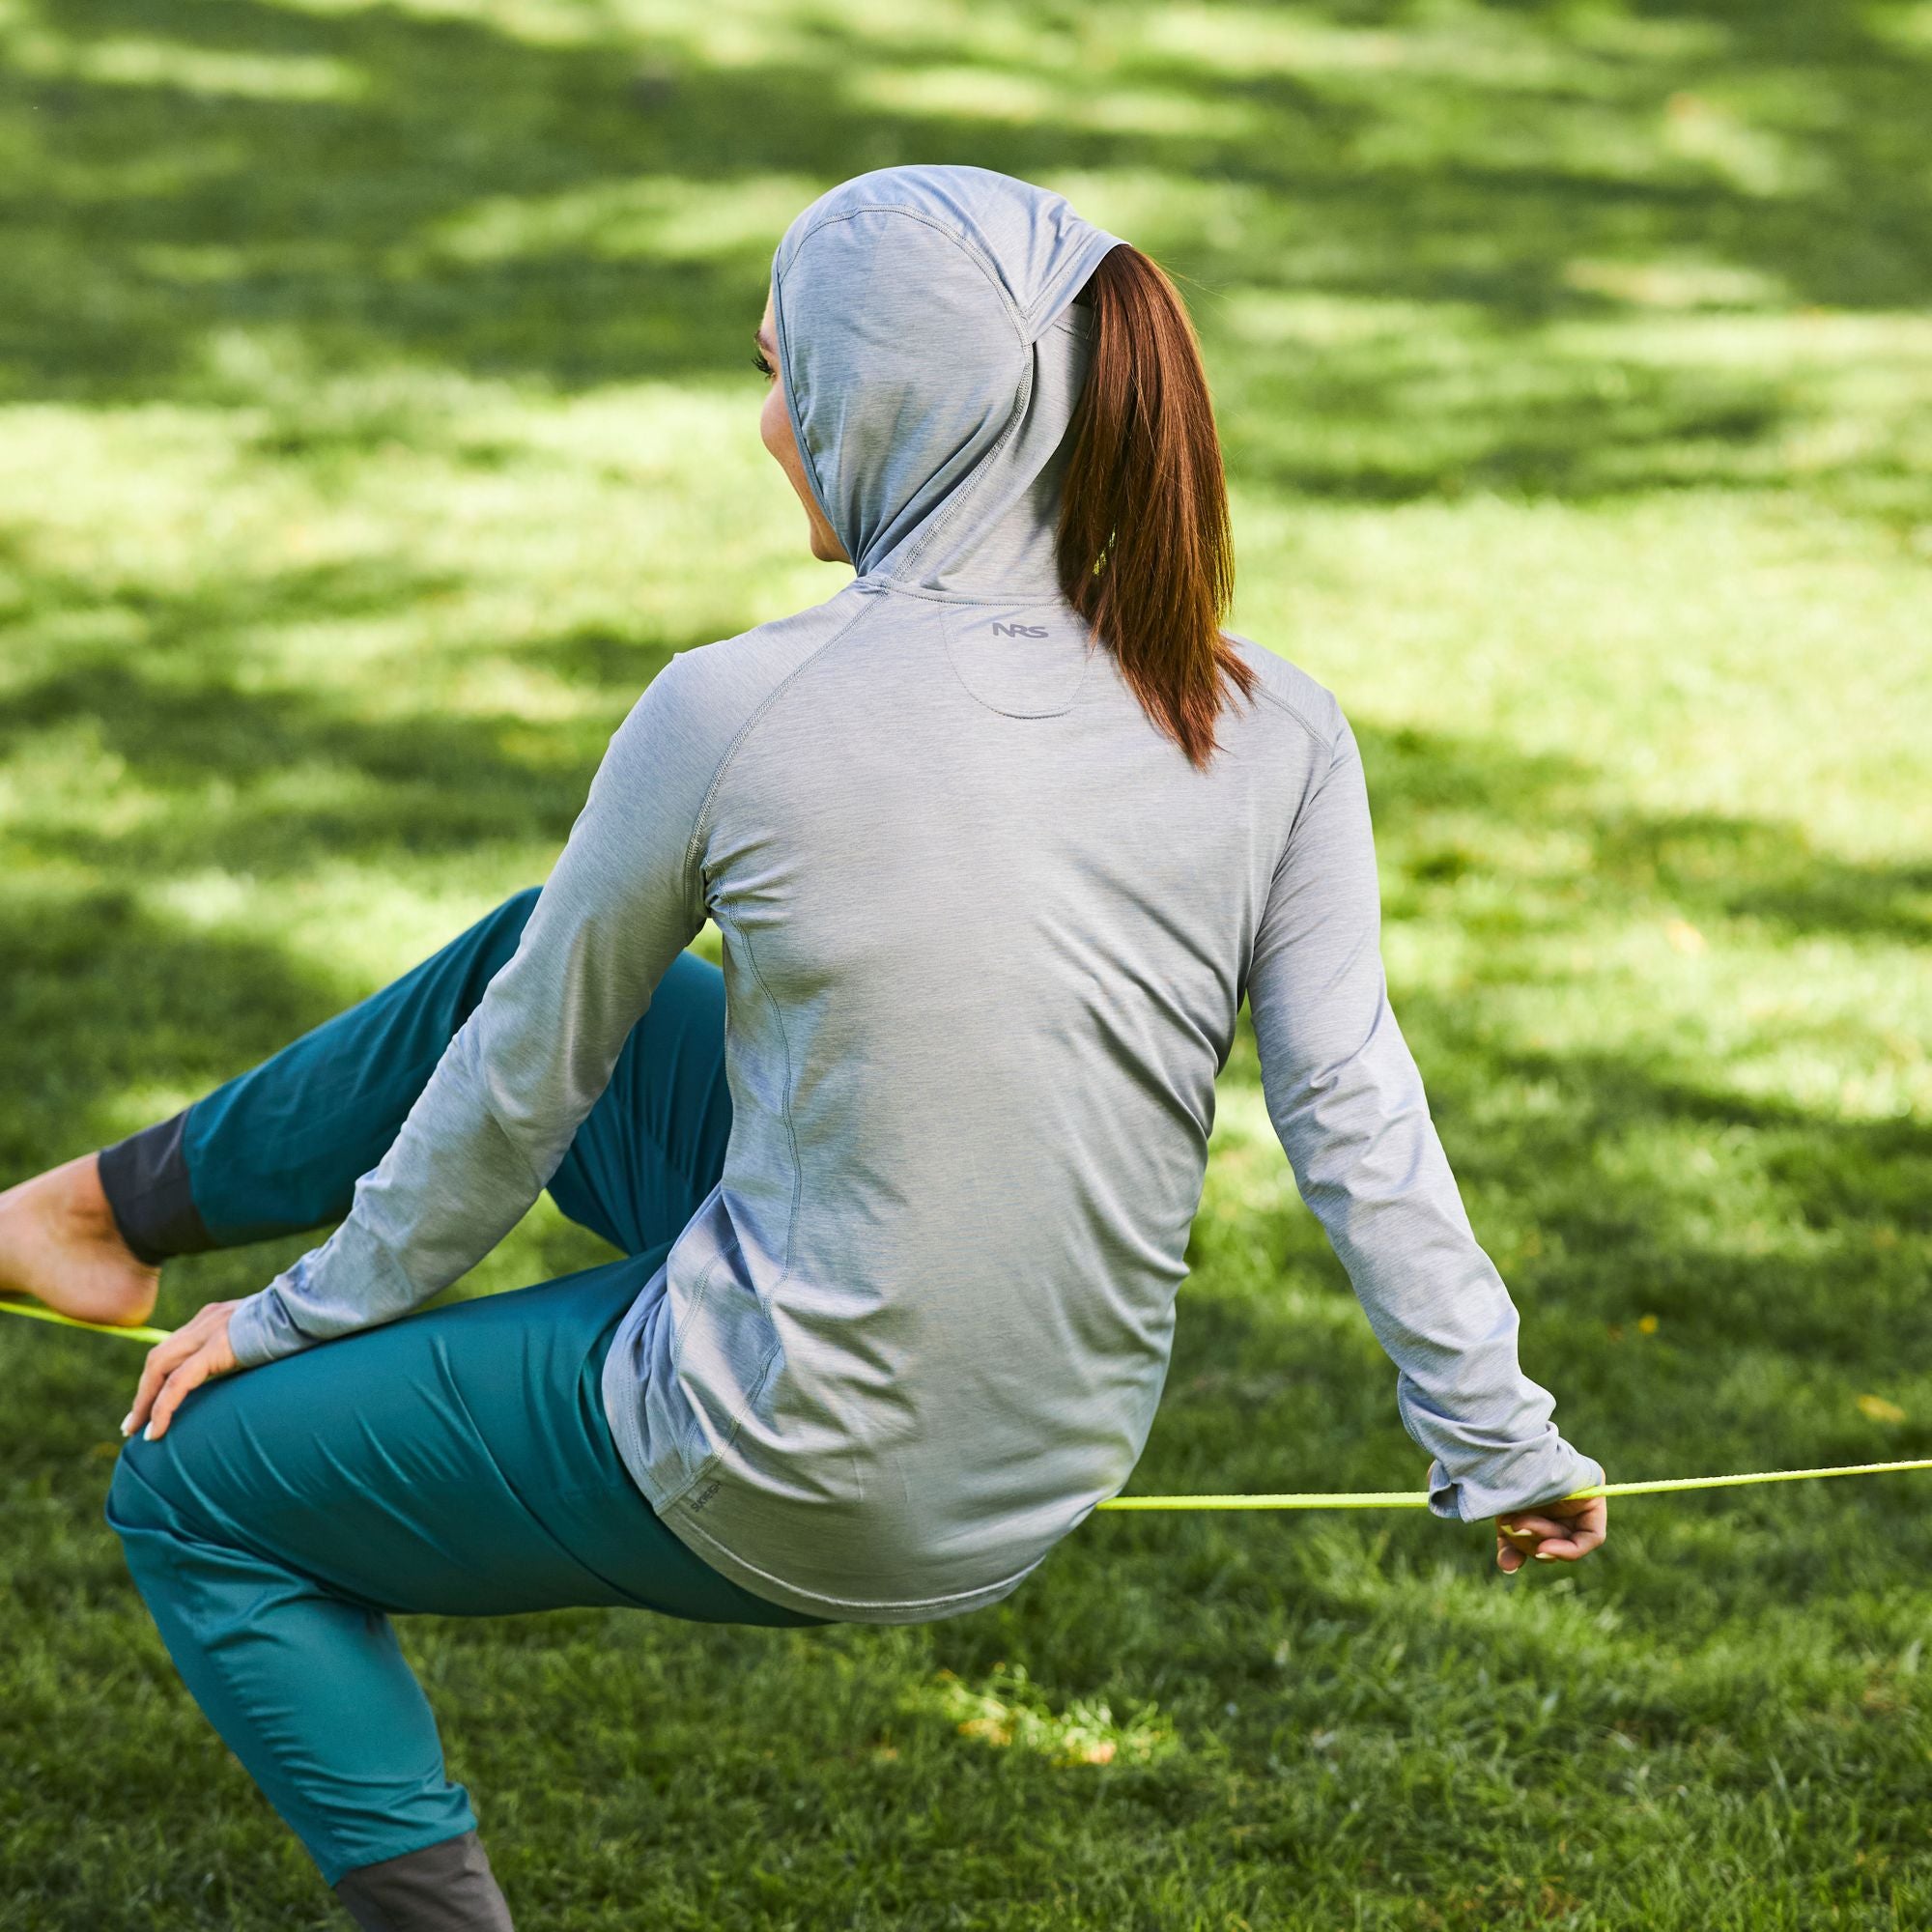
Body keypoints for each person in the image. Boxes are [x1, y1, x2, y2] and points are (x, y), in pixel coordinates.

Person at [0, 164, 1605, 1930]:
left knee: (194, 1488)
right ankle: (91, 1219)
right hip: (1048, 1452)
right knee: (516, 959)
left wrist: (299, 1318)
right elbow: (1356, 1113)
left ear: (885, 399)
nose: (769, 425)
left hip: (790, 1461)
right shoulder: (1273, 722)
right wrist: (1501, 1436)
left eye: (784, 374)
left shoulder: (738, 706)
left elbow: (524, 1094)